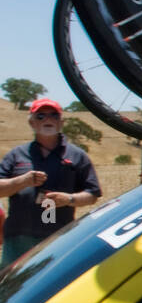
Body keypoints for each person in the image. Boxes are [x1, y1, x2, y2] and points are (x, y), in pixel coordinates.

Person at [0, 98, 101, 266]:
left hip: (59, 238)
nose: (48, 119)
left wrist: (68, 199)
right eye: (40, 116)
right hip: (18, 240)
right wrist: (22, 181)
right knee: (11, 290)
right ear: (32, 123)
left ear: (61, 122)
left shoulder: (77, 155)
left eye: (53, 115)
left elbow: (93, 194)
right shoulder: (16, 155)